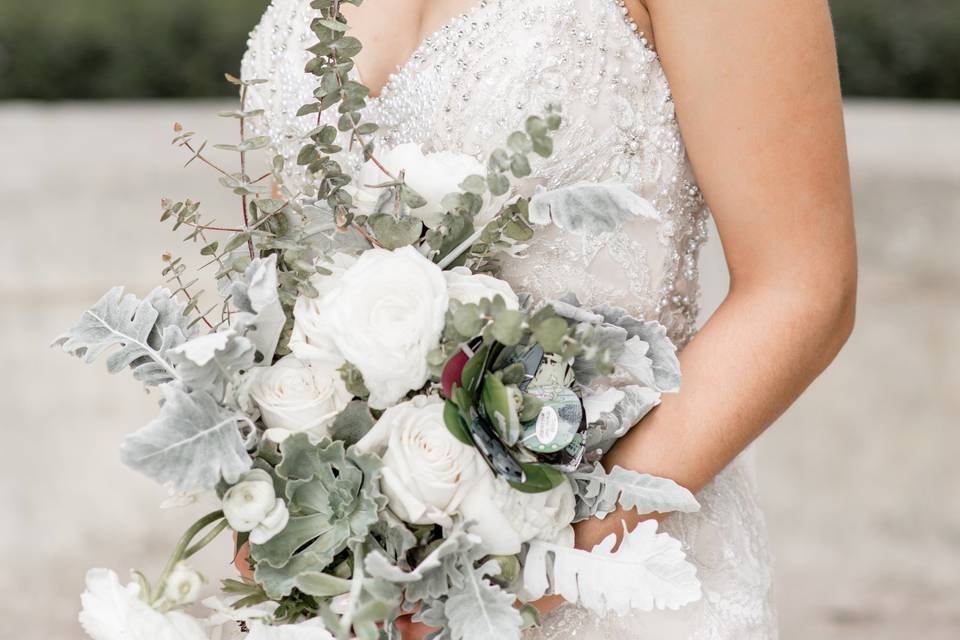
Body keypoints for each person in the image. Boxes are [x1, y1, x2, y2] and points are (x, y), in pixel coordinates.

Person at [240, 0, 857, 637]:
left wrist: (530, 568)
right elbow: (290, 270)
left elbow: (803, 288)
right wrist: (272, 502)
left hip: (606, 572)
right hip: (345, 588)